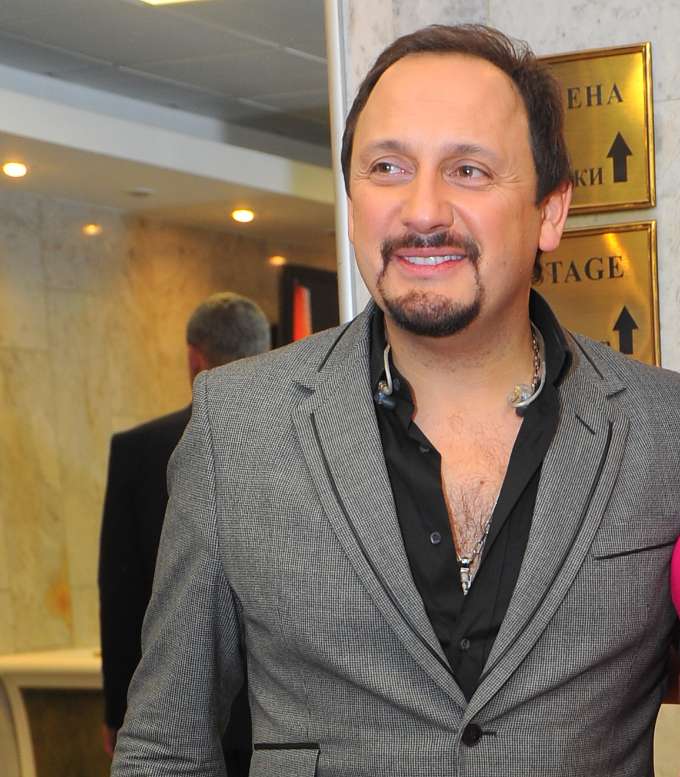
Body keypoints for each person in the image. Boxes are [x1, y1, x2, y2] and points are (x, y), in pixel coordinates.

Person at [112, 25, 680, 777]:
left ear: (550, 211)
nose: (422, 210)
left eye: (468, 170)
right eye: (387, 167)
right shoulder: (237, 425)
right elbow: (164, 748)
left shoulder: (663, 429)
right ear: (352, 202)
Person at [99, 291, 270, 775]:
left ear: (194, 357)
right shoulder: (308, 437)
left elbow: (122, 591)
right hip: (287, 718)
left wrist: (120, 710)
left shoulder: (139, 449)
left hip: (180, 714)